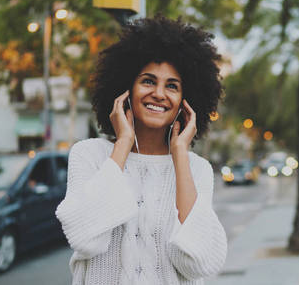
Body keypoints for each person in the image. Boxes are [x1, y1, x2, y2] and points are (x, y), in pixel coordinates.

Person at [55, 16, 227, 285]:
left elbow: (200, 262)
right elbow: (84, 237)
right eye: (148, 81)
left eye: (172, 86)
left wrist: (180, 153)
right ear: (126, 89)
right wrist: (124, 142)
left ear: (186, 101)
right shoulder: (89, 155)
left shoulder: (197, 169)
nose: (159, 94)